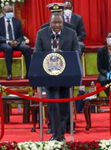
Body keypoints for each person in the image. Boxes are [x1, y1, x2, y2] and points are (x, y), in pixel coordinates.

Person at [35, 13, 79, 141]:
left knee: (64, 107)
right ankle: (56, 134)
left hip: (66, 76)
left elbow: (77, 51)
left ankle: (61, 134)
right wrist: (50, 55)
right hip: (49, 77)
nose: (57, 25)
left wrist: (63, 55)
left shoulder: (71, 33)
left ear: (63, 23)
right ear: (50, 23)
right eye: (54, 23)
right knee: (53, 105)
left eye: (59, 22)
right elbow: (37, 52)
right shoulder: (41, 34)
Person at [0, 5, 31, 80]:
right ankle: (9, 73)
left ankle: (29, 73)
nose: (10, 13)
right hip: (4, 44)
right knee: (8, 48)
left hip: (15, 43)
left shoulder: (17, 21)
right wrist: (8, 41)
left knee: (27, 48)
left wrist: (17, 41)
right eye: (8, 11)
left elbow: (21, 36)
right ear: (3, 12)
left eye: (11, 11)